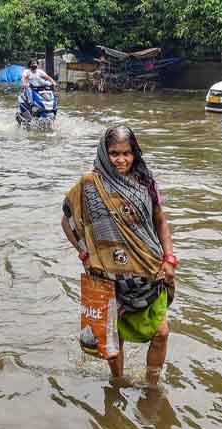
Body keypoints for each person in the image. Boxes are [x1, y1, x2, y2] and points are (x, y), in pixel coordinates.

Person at [61, 126, 177, 386]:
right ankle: (119, 384)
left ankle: (152, 384)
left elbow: (160, 221)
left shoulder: (145, 182)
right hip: (108, 276)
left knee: (161, 332)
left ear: (135, 153)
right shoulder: (90, 184)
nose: (121, 160)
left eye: (127, 153)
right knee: (114, 338)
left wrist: (169, 258)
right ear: (105, 153)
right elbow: (67, 220)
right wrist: (84, 254)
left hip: (148, 271)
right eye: (114, 153)